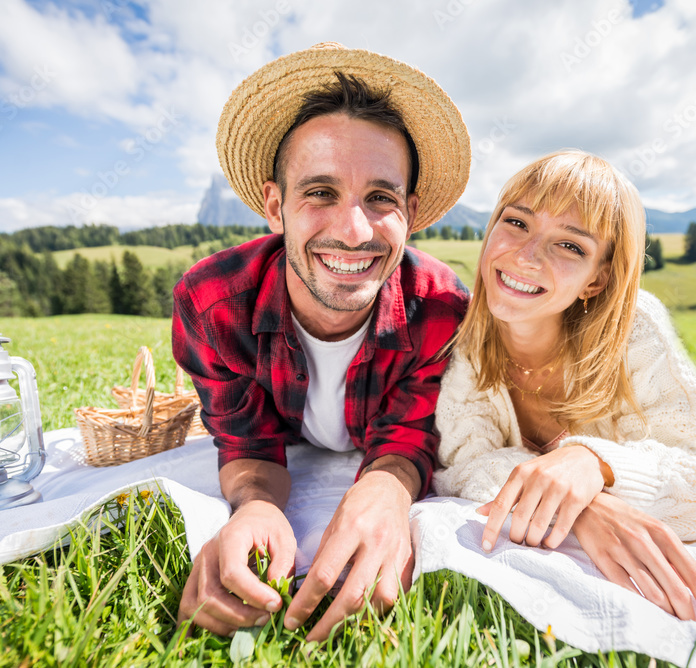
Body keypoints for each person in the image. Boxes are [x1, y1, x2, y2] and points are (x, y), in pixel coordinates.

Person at [171, 43, 472, 641]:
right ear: (274, 206)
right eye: (320, 192)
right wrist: (256, 506)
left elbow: (409, 437)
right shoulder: (210, 303)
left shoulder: (444, 310)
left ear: (410, 213)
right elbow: (245, 441)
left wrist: (385, 492)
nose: (353, 231)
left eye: (381, 198)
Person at [432, 149, 696, 624]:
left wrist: (594, 461)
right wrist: (583, 504)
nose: (525, 256)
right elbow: (463, 465)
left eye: (570, 246)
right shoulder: (467, 341)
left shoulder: (636, 331)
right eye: (516, 223)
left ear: (598, 279)